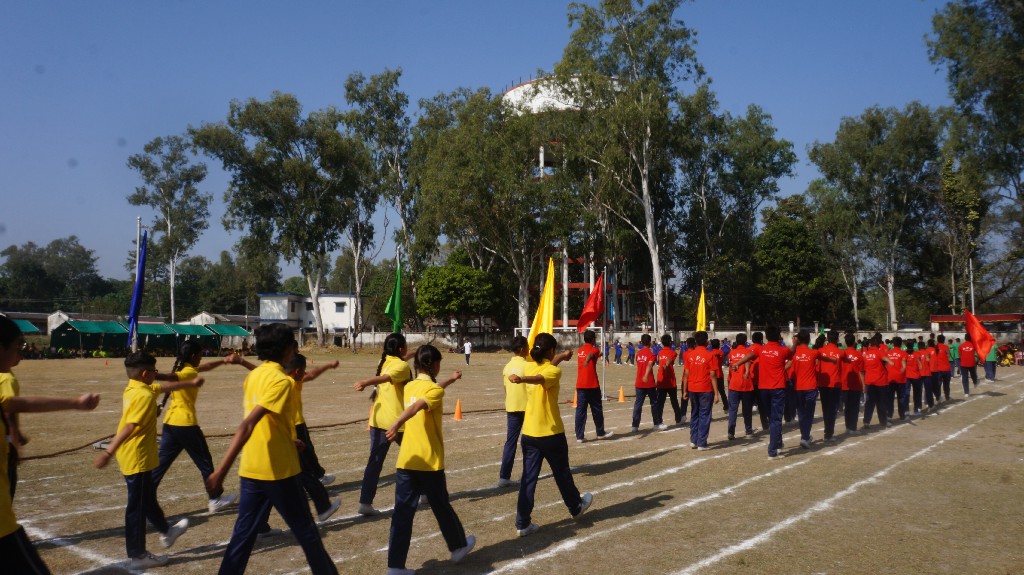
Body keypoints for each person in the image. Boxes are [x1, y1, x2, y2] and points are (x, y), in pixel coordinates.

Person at [205, 324, 338, 575]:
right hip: (278, 470)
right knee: (307, 533)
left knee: (242, 537)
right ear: (289, 349)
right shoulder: (282, 381)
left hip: (252, 467)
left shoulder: (254, 376)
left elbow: (267, 424)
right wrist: (220, 471)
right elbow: (249, 423)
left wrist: (289, 441)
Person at [0, 316, 100, 575]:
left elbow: (14, 407)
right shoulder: (6, 379)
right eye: (17, 347)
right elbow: (14, 405)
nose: (19, 353)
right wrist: (76, 403)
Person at [95, 351, 202, 569]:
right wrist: (108, 451)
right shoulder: (143, 396)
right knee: (137, 506)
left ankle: (166, 530)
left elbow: (163, 387)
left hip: (134, 456)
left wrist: (189, 383)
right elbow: (130, 427)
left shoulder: (135, 388)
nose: (156, 374)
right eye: (154, 371)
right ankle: (138, 554)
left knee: (146, 498)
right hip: (137, 457)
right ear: (145, 373)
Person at [384, 345, 474, 574]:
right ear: (434, 365)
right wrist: (396, 423)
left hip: (407, 459)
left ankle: (395, 566)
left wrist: (450, 381)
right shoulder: (431, 391)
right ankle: (458, 547)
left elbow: (430, 393)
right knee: (441, 505)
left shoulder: (410, 386)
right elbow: (419, 405)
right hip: (428, 460)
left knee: (402, 512)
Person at [234, 353, 343, 535]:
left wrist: (243, 362)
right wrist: (328, 365)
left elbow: (258, 371)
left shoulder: (275, 379)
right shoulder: (289, 383)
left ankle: (261, 524)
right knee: (302, 472)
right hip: (292, 430)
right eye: (303, 370)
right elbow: (312, 374)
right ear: (298, 371)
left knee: (276, 477)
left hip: (282, 432)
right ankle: (323, 506)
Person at [507, 333, 594, 538]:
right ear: (551, 350)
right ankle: (575, 507)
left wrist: (562, 356)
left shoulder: (530, 365)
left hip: (529, 433)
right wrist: (523, 380)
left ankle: (522, 523)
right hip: (551, 433)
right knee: (562, 474)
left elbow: (543, 370)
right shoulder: (551, 372)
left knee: (528, 479)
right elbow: (540, 377)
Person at [149, 340, 238, 514]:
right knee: (205, 462)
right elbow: (169, 378)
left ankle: (143, 498)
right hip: (186, 425)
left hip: (171, 424)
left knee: (160, 466)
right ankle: (215, 499)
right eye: (200, 354)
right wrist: (150, 374)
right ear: (193, 356)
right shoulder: (188, 372)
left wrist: (224, 360)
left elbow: (207, 367)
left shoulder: (183, 368)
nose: (201, 358)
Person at [353, 333, 415, 516]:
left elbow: (394, 368)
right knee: (418, 456)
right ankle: (427, 492)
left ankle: (365, 502)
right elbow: (387, 378)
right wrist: (365, 382)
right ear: (400, 349)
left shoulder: (386, 361)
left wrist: (413, 354)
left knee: (375, 463)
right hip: (397, 422)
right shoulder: (401, 367)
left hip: (378, 420)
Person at [733, 326, 790, 458]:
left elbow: (749, 356)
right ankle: (772, 450)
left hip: (763, 389)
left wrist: (738, 363)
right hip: (777, 389)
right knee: (776, 419)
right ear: (779, 336)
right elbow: (792, 354)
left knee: (773, 419)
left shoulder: (761, 349)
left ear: (766, 336)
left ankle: (779, 443)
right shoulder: (783, 350)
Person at [788, 331, 836, 449]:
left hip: (798, 387)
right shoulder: (814, 352)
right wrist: (833, 360)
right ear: (809, 340)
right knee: (808, 413)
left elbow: (788, 365)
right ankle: (805, 437)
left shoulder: (794, 353)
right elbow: (825, 358)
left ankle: (805, 436)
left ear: (798, 340)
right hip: (810, 387)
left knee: (801, 413)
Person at [498, 336, 529, 488]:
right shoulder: (528, 366)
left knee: (511, 442)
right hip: (527, 407)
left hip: (511, 406)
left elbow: (505, 389)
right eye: (527, 346)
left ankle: (504, 476)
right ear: (523, 349)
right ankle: (529, 473)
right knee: (529, 442)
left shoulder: (507, 367)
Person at [682, 331, 719, 450]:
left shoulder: (690, 355)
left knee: (694, 413)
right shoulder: (710, 355)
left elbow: (686, 374)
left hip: (692, 388)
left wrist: (684, 390)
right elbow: (713, 375)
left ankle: (693, 440)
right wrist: (716, 393)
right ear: (707, 342)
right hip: (705, 388)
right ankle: (702, 442)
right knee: (705, 415)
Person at [575, 330, 613, 442]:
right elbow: (591, 354)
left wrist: (594, 356)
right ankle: (600, 432)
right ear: (593, 339)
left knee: (580, 411)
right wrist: (588, 359)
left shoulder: (580, 350)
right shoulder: (594, 349)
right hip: (592, 385)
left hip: (580, 384)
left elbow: (593, 356)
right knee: (596, 409)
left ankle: (579, 436)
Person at [726, 333, 756, 440]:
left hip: (733, 384)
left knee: (733, 410)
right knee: (747, 410)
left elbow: (731, 366)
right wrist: (747, 371)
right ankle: (748, 431)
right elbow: (748, 360)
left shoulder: (731, 353)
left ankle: (731, 432)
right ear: (745, 341)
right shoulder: (748, 352)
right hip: (746, 385)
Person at [630, 334, 661, 432]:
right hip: (649, 382)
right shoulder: (652, 354)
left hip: (639, 382)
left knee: (638, 404)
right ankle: (656, 424)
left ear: (641, 342)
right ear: (650, 342)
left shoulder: (638, 354)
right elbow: (649, 365)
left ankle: (635, 426)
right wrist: (646, 375)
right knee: (654, 403)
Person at [862, 334, 893, 429]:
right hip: (880, 382)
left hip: (869, 381)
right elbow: (886, 359)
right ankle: (883, 421)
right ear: (878, 344)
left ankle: (866, 422)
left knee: (869, 403)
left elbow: (862, 368)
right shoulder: (879, 352)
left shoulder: (866, 354)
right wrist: (890, 362)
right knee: (881, 403)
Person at [817, 331, 843, 441]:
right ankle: (829, 433)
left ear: (827, 339)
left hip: (823, 384)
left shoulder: (820, 351)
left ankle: (827, 432)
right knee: (832, 410)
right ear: (837, 340)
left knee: (825, 408)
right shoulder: (841, 352)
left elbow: (817, 367)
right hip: (835, 384)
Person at [655, 334, 683, 426]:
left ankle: (659, 421)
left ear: (662, 343)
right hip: (670, 381)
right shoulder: (673, 352)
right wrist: (667, 364)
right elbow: (670, 358)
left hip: (661, 379)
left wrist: (666, 363)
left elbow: (667, 360)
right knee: (674, 401)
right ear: (671, 342)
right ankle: (678, 419)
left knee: (660, 403)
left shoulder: (660, 352)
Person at [840, 333, 865, 433]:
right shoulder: (859, 355)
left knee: (847, 407)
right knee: (854, 407)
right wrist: (863, 385)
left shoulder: (842, 354)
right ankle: (853, 427)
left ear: (845, 342)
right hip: (856, 384)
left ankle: (848, 427)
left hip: (844, 383)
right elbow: (861, 371)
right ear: (854, 342)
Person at [885, 337, 909, 421]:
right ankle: (902, 415)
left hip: (890, 379)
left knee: (890, 398)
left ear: (892, 344)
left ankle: (889, 416)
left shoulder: (888, 353)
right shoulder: (904, 353)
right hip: (900, 379)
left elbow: (885, 365)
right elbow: (904, 363)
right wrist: (903, 368)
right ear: (901, 343)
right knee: (901, 398)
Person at [710, 339, 729, 415]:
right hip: (719, 375)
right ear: (718, 345)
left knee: (711, 393)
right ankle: (726, 406)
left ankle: (709, 411)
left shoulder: (710, 353)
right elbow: (721, 354)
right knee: (722, 392)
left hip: (712, 375)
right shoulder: (720, 352)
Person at [934, 335, 952, 402]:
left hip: (938, 369)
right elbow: (948, 355)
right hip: (946, 368)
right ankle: (947, 397)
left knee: (938, 384)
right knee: (946, 385)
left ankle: (938, 397)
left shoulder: (935, 347)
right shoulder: (946, 347)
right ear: (944, 340)